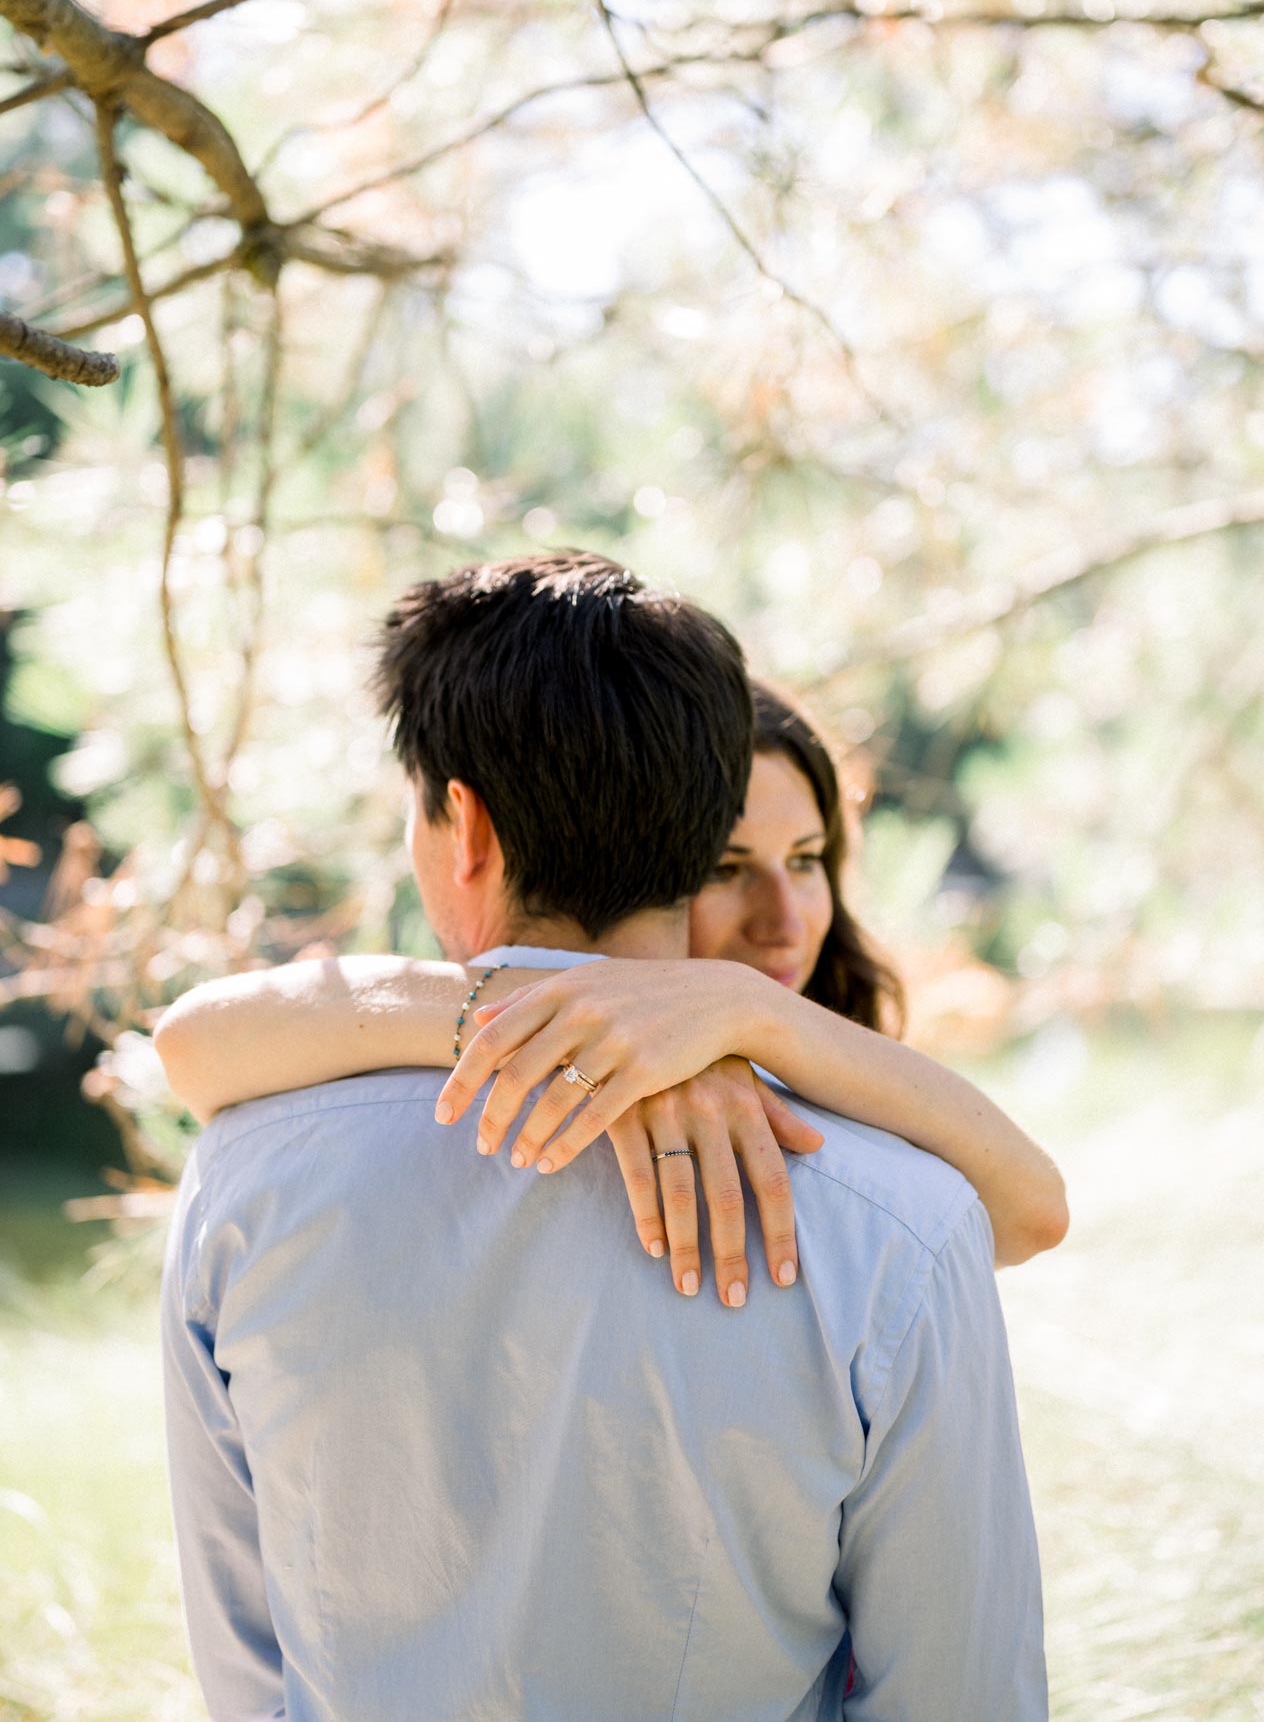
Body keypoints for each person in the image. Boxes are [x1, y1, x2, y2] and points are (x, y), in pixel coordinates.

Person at [159, 552, 1048, 1721]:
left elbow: (246, 1666)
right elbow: (962, 1697)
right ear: (700, 828)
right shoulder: (899, 1221)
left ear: (460, 825)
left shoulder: (242, 1180)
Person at [157, 687, 1068, 1295]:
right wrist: (564, 1018)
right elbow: (191, 1045)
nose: (785, 919)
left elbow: (1034, 1215)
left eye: (806, 860)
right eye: (728, 867)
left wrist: (754, 1014)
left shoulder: (831, 1071)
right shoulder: (470, 1026)